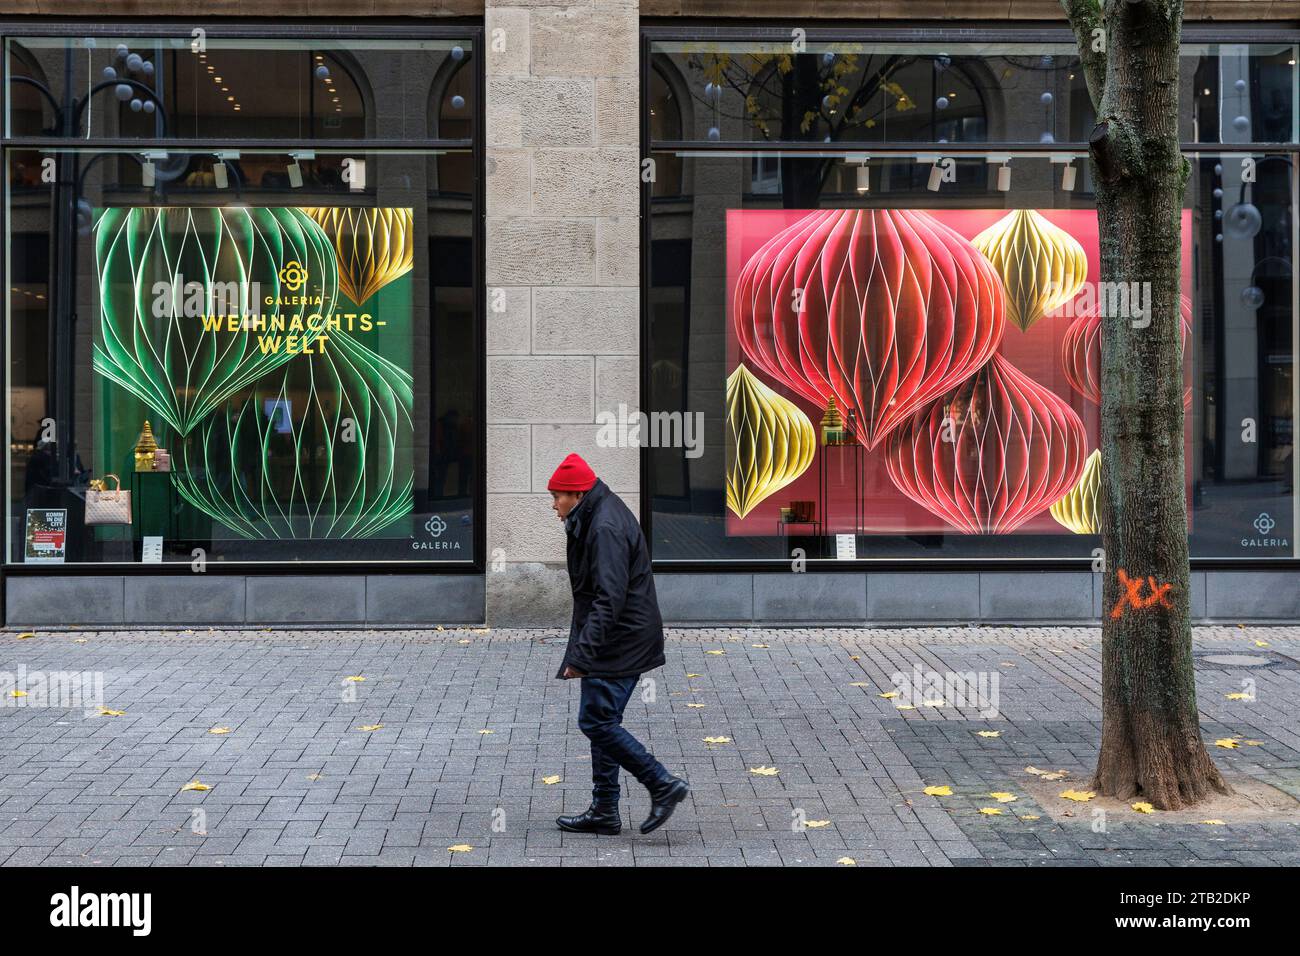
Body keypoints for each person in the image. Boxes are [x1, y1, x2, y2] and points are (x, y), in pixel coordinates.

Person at [548, 452, 689, 835]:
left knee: (595, 720)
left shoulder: (604, 526)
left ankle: (661, 783)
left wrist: (582, 654)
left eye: (557, 497)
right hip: (617, 637)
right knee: (603, 721)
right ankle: (605, 810)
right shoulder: (593, 514)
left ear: (577, 494)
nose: (554, 505)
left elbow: (609, 599)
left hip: (621, 640)